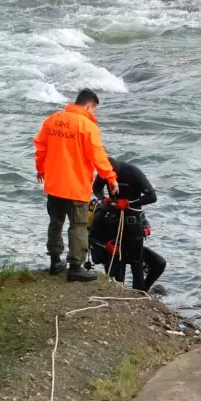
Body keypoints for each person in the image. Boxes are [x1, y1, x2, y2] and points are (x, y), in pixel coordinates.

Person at [33, 88, 118, 282]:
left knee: (56, 223)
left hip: (54, 184)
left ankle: (55, 261)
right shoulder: (87, 126)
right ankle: (76, 267)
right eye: (94, 110)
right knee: (78, 226)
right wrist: (111, 178)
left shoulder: (53, 120)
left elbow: (40, 147)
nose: (93, 114)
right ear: (88, 106)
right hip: (76, 185)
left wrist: (40, 169)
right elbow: (99, 157)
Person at [90, 159, 166, 292]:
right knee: (117, 263)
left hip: (132, 221)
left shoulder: (133, 172)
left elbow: (152, 197)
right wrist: (104, 199)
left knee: (153, 263)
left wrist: (129, 204)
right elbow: (90, 238)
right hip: (114, 233)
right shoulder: (103, 213)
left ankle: (141, 292)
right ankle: (118, 291)